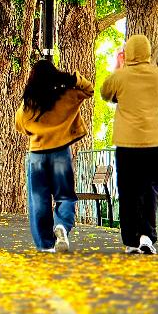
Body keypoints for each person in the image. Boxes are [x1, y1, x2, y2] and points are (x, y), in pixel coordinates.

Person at [100, 34, 158, 255]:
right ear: (147, 52)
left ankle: (130, 240)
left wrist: (118, 66)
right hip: (154, 144)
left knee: (127, 191)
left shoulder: (120, 77)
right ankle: (147, 236)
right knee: (150, 189)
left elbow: (105, 92)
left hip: (127, 144)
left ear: (128, 53)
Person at [14, 59, 94, 253]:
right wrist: (71, 77)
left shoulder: (28, 103)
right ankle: (62, 226)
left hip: (37, 155)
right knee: (65, 195)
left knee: (38, 200)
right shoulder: (67, 95)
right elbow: (89, 89)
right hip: (60, 152)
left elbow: (20, 126)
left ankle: (45, 245)